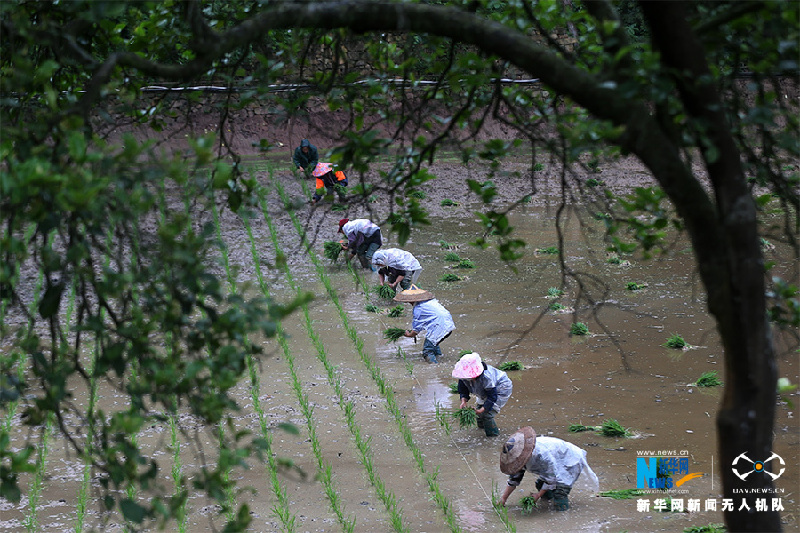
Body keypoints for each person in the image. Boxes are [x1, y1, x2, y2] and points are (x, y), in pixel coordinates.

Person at [498, 426, 599, 511]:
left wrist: (537, 495)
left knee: (560, 490)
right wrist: (503, 499)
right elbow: (514, 480)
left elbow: (551, 478)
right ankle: (547, 502)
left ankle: (562, 512)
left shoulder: (542, 455)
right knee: (540, 484)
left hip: (569, 460)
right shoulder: (519, 459)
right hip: (555, 461)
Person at [452, 352, 512, 437]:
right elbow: (463, 390)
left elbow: (492, 397)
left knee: (487, 414)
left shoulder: (487, 378)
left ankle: (493, 437)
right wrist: (463, 401)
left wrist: (481, 410)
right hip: (484, 389)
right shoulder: (463, 376)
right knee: (479, 414)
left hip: (501, 387)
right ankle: (482, 429)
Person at [394, 286, 455, 364]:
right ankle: (439, 358)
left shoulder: (418, 309)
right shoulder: (431, 302)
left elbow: (416, 329)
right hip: (448, 325)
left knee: (427, 351)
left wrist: (409, 334)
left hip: (439, 327)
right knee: (434, 343)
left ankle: (435, 367)